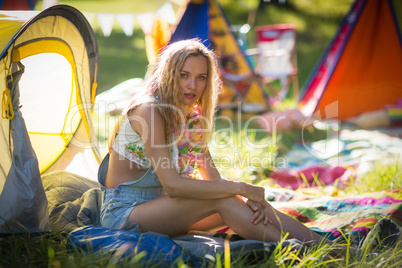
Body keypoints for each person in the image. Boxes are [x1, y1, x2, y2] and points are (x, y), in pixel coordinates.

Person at [98, 39, 350, 254]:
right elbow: (173, 186)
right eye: (184, 75)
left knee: (240, 200)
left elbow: (212, 179)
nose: (192, 86)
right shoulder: (150, 110)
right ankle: (301, 253)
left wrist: (244, 195)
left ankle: (330, 247)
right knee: (229, 198)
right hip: (125, 213)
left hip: (159, 206)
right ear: (168, 74)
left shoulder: (190, 116)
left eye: (201, 78)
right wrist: (239, 187)